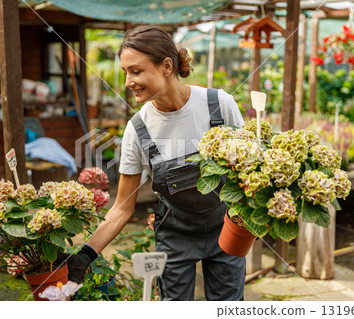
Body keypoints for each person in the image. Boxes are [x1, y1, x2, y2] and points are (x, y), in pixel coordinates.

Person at [66, 25, 246, 301]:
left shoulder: (218, 104)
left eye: (135, 71)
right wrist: (86, 254)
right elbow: (122, 208)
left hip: (226, 227)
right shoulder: (138, 129)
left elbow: (248, 172)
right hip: (175, 234)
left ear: (165, 66)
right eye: (126, 72)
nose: (127, 82)